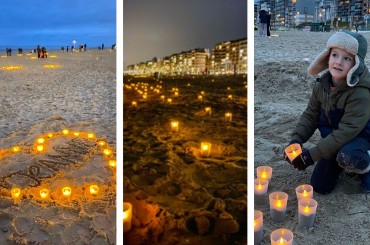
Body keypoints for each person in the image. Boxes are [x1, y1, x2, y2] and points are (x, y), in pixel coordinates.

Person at [285, 30, 370, 194]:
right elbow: (310, 115)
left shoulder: (360, 93)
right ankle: (343, 161)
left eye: (347, 58)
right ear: (327, 56)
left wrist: (311, 155)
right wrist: (296, 140)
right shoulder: (322, 85)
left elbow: (347, 131)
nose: (339, 62)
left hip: (360, 136)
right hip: (334, 137)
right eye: (335, 55)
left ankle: (365, 164)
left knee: (348, 156)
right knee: (320, 185)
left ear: (356, 64)